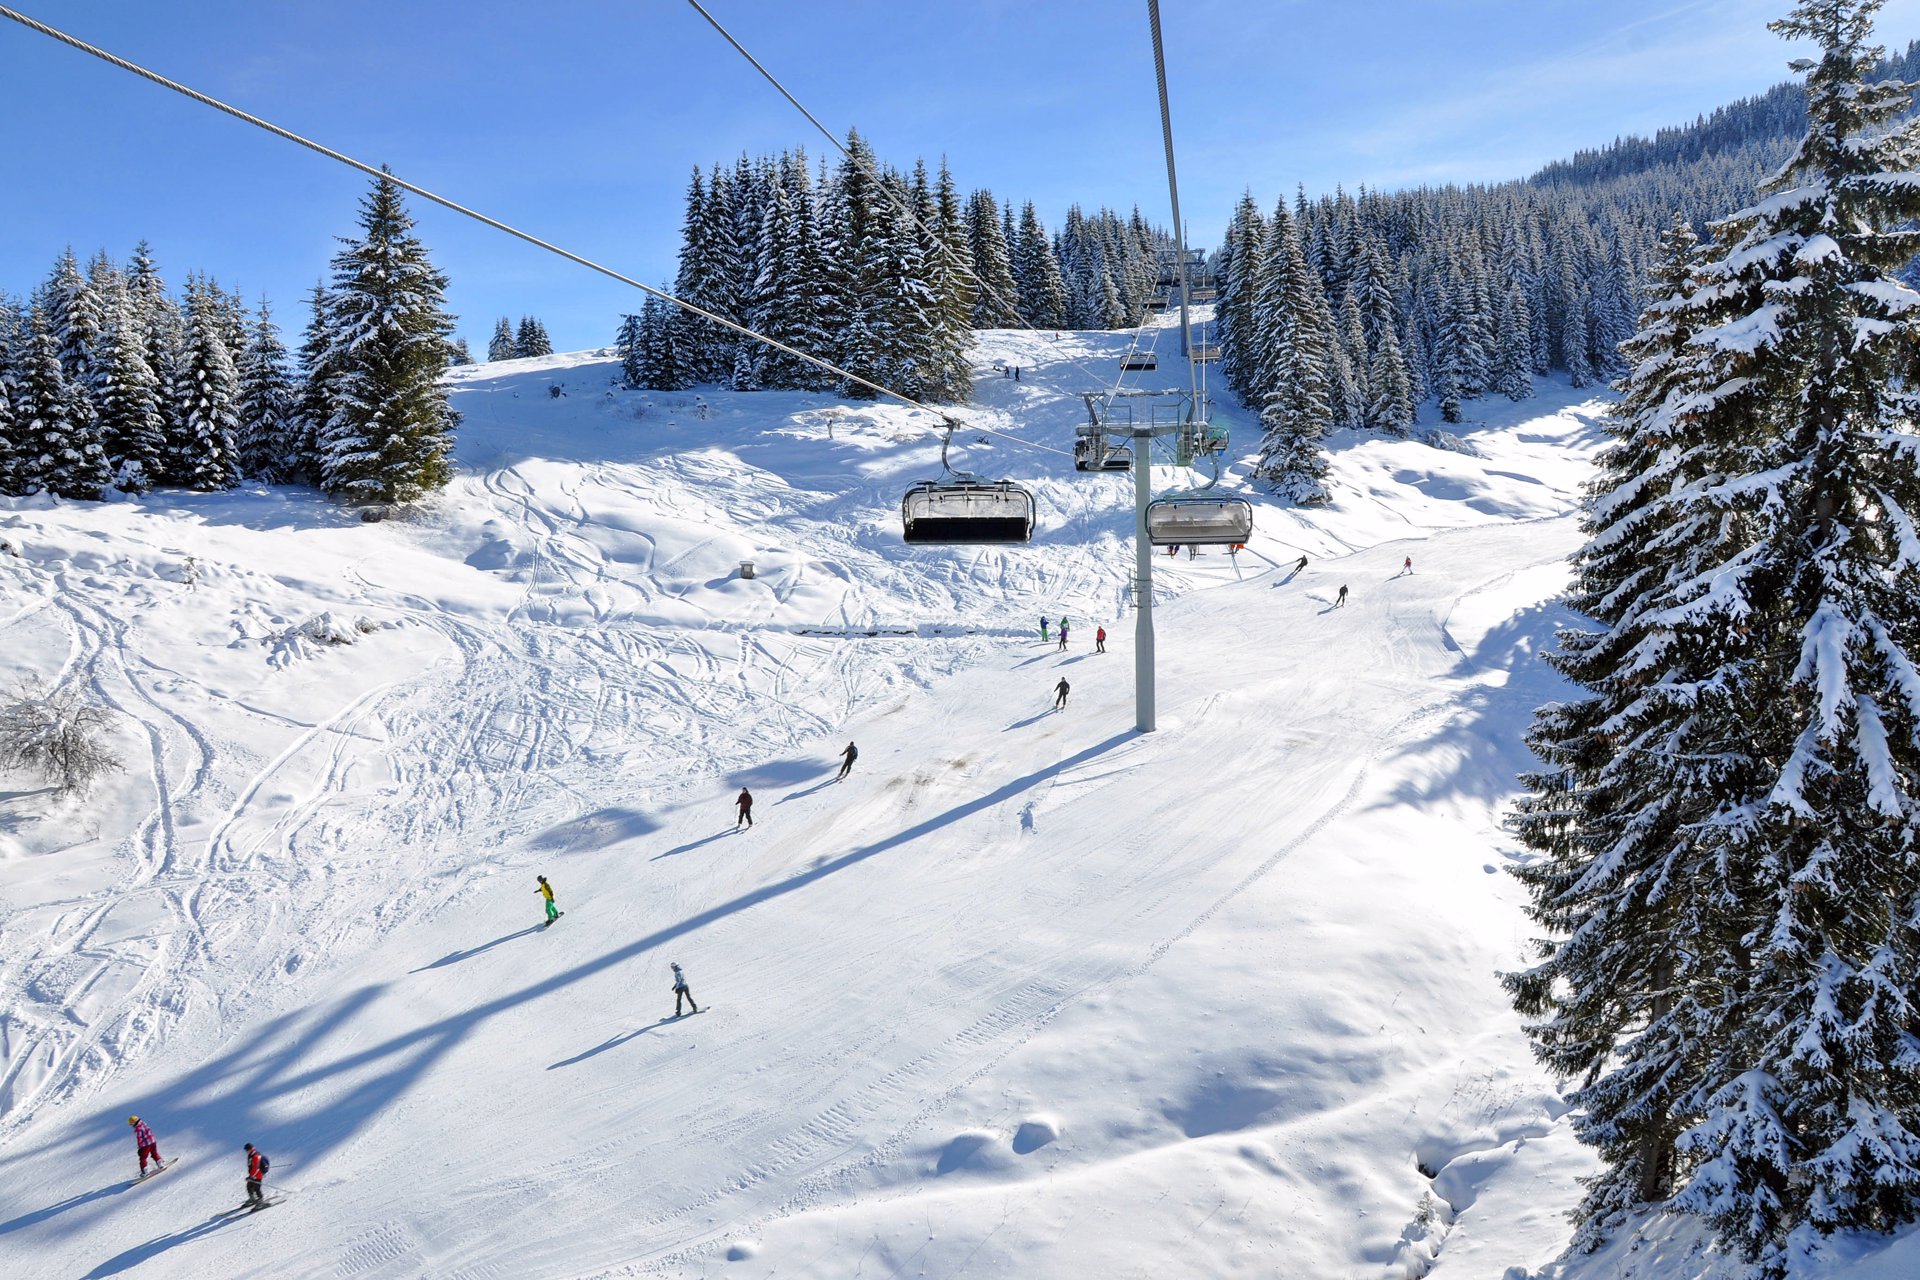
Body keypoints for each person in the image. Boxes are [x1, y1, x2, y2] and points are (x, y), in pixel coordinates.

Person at [243, 1143, 269, 1209]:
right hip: (253, 1174)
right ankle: (252, 1199)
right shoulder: (250, 1155)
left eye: (247, 1150)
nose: (246, 1152)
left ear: (250, 1149)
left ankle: (261, 1202)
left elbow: (256, 1168)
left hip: (258, 1175)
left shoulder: (256, 1156)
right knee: (249, 1186)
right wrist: (251, 1175)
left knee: (257, 1188)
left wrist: (251, 1176)